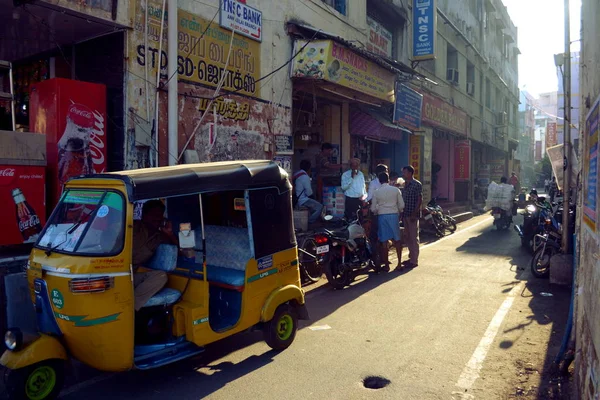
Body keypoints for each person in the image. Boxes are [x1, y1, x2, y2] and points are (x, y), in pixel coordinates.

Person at [132, 200, 179, 311]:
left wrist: (170, 234)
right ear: (144, 215)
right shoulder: (132, 227)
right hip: (114, 272)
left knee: (160, 276)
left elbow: (182, 252)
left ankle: (130, 307)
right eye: (153, 215)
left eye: (159, 215)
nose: (157, 219)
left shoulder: (160, 237)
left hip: (131, 277)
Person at [371, 172, 404, 271]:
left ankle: (386, 265)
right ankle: (399, 263)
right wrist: (398, 211)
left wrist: (378, 209)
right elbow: (401, 205)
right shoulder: (396, 190)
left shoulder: (376, 192)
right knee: (397, 240)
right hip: (394, 215)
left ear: (379, 181)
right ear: (388, 179)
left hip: (382, 216)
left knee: (384, 241)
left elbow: (373, 209)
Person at [401, 166, 422, 269]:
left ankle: (414, 260)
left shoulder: (416, 184)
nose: (403, 174)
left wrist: (415, 213)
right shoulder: (405, 185)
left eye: (405, 172)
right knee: (407, 237)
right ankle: (411, 257)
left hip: (412, 215)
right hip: (405, 214)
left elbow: (419, 200)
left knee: (414, 238)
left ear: (410, 173)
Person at [293, 160, 324, 224]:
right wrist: (315, 199)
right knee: (320, 207)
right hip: (303, 200)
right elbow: (309, 192)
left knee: (314, 205)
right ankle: (310, 221)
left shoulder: (296, 174)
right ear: (309, 168)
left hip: (296, 199)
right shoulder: (305, 176)